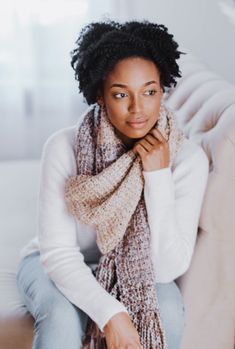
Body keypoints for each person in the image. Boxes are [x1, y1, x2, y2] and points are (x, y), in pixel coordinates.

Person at [16, 19, 209, 349]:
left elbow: (166, 270)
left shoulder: (187, 160)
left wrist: (157, 176)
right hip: (57, 261)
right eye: (121, 94)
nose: (138, 109)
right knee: (61, 319)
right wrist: (111, 314)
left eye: (149, 92)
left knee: (169, 313)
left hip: (140, 269)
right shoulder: (64, 147)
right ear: (100, 96)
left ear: (163, 89)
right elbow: (60, 254)